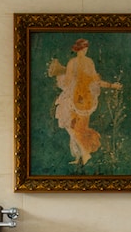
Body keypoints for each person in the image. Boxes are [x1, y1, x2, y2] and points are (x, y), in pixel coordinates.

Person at [48, 38, 122, 166]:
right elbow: (96, 81)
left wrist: (62, 76)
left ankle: (85, 153)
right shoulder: (89, 62)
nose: (86, 50)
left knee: (74, 127)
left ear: (77, 49)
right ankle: (79, 156)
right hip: (87, 99)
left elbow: (68, 82)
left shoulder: (73, 62)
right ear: (84, 49)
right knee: (78, 127)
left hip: (76, 97)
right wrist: (112, 86)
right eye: (86, 47)